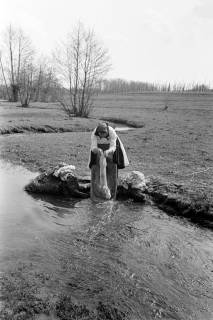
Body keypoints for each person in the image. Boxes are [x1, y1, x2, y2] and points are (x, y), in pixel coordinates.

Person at [89, 122, 129, 199]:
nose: (101, 135)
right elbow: (93, 147)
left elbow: (113, 147)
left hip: (111, 151)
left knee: (112, 171)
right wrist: (97, 150)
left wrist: (108, 151)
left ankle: (111, 195)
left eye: (103, 133)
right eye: (100, 134)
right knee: (96, 170)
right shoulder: (94, 133)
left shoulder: (112, 132)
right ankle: (96, 196)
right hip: (98, 151)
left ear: (107, 132)